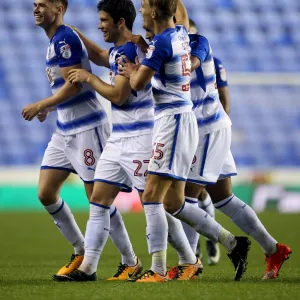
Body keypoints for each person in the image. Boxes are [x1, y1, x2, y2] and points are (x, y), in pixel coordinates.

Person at [53, 0, 201, 282]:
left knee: (154, 203)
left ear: (120, 22)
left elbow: (119, 95)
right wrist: (69, 31)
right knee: (99, 199)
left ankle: (187, 259)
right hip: (118, 138)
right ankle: (88, 268)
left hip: (140, 137)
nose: (100, 25)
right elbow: (98, 55)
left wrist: (88, 78)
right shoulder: (123, 49)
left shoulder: (133, 50)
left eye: (104, 20)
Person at [119, 0, 250, 282]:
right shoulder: (180, 33)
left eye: (143, 6)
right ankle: (233, 244)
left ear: (154, 12)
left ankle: (157, 270)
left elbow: (138, 84)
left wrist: (132, 71)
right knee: (174, 203)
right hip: (183, 119)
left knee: (152, 196)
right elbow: (179, 11)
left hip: (173, 122)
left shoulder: (164, 42)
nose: (140, 10)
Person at [21, 0, 136, 279]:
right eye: (34, 4)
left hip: (88, 128)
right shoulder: (54, 40)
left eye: (43, 4)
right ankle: (80, 249)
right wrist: (50, 107)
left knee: (99, 199)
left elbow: (74, 86)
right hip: (64, 129)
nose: (36, 9)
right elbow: (66, 84)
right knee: (46, 193)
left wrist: (41, 104)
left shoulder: (64, 39)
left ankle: (129, 260)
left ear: (59, 8)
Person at [185, 18, 292, 280]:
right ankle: (273, 249)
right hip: (206, 131)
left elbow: (224, 100)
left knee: (183, 198)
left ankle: (190, 262)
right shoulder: (168, 53)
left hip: (206, 131)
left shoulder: (201, 53)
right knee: (224, 198)